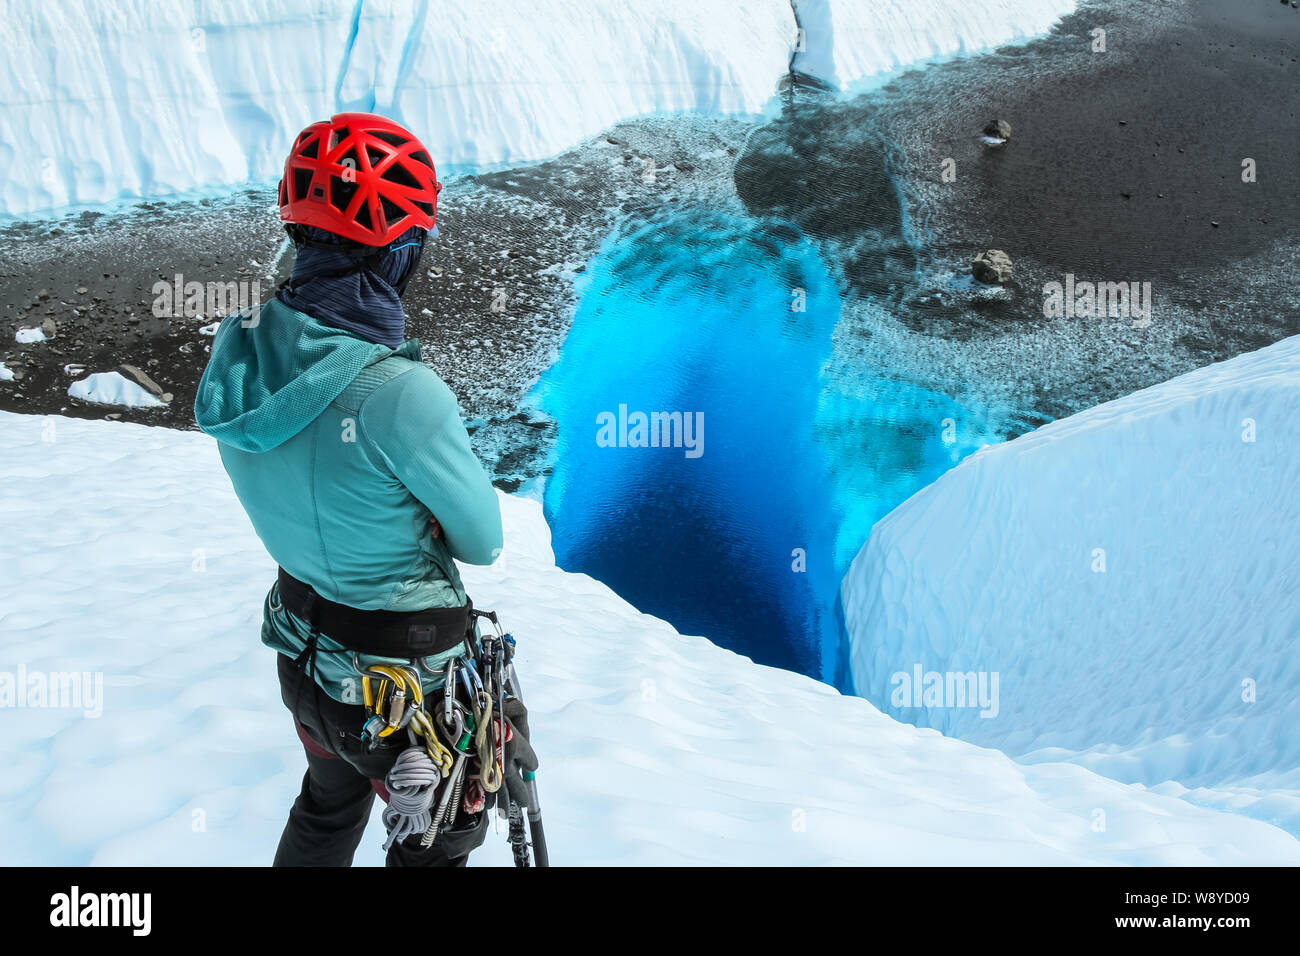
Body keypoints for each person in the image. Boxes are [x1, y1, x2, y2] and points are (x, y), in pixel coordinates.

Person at [194, 112, 510, 866]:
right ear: (400, 252)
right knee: (437, 843)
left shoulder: (239, 349)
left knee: (327, 809)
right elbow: (484, 540)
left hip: (307, 665)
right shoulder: (401, 394)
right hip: (406, 692)